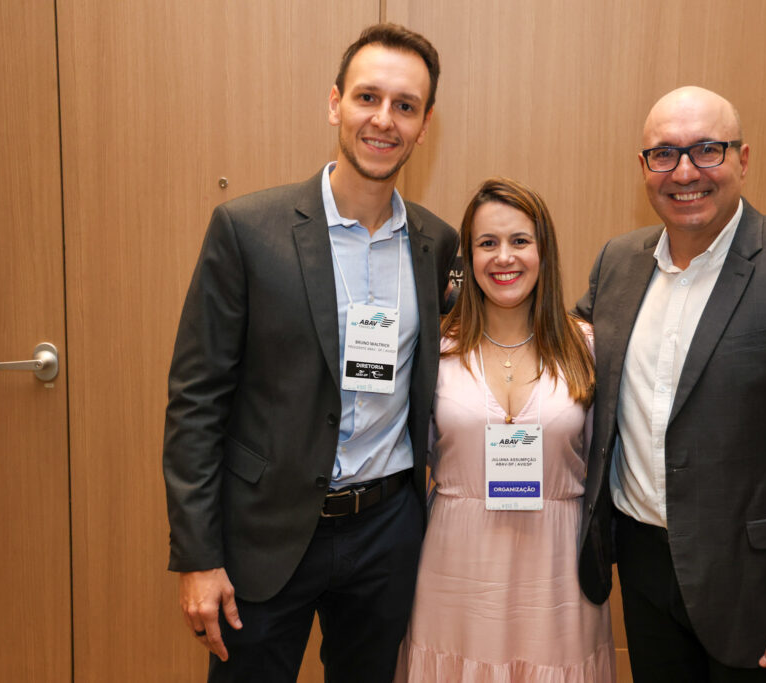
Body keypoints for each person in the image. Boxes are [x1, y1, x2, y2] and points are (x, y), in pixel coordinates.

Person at [162, 23, 458, 682]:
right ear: (335, 103)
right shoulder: (248, 230)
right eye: (367, 98)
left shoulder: (437, 243)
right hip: (266, 534)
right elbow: (196, 401)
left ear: (424, 124)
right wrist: (198, 555)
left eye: (405, 106)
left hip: (387, 532)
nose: (384, 120)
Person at [575, 86, 766, 682]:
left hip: (760, 591)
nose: (685, 172)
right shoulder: (618, 261)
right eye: (664, 154)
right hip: (642, 569)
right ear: (643, 169)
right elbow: (565, 352)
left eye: (707, 150)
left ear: (744, 158)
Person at [397, 178, 615, 682]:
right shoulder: (438, 348)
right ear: (467, 257)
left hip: (556, 573)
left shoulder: (587, 345)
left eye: (520, 241)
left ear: (544, 250)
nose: (504, 258)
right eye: (487, 243)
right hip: (456, 566)